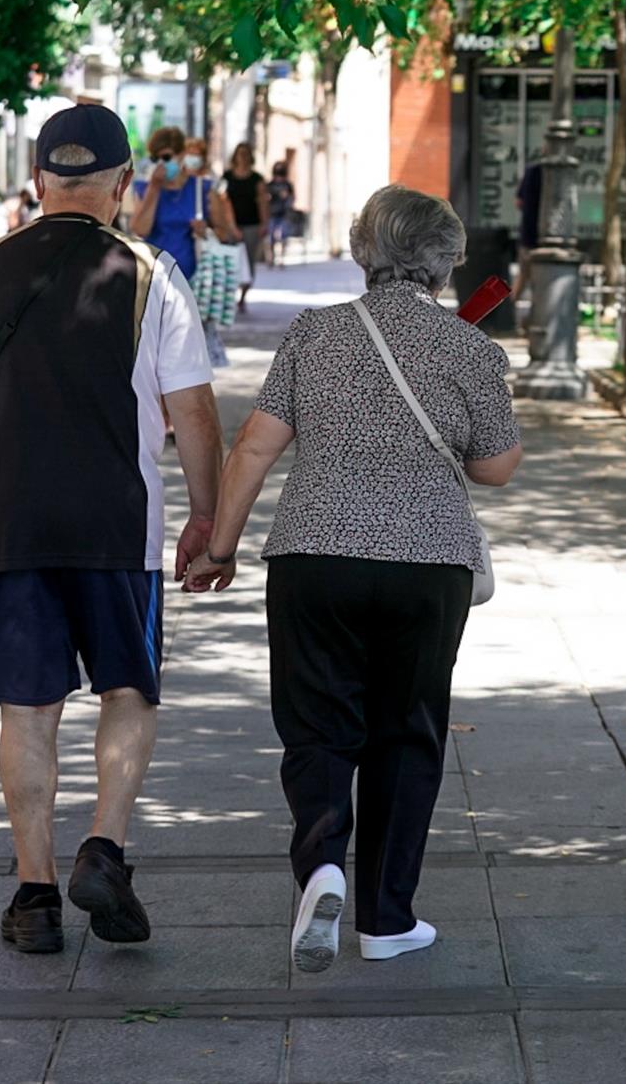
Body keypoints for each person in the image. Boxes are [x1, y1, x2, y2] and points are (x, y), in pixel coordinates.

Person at [184, 184, 523, 974]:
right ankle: (387, 918)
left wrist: (221, 547)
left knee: (316, 725)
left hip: (314, 555)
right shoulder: (471, 348)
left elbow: (255, 449)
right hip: (427, 565)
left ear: (360, 250)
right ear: (445, 262)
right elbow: (496, 467)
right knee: (407, 731)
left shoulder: (316, 333)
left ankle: (323, 866)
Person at [0, 103, 224, 956]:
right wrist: (210, 518)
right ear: (124, 184)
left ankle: (36, 893)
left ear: (40, 182)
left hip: (11, 522)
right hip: (118, 523)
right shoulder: (153, 273)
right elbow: (192, 411)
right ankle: (106, 847)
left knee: (29, 704)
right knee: (129, 687)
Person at [130, 126, 209, 282]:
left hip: (191, 277)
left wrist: (204, 230)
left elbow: (225, 233)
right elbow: (140, 229)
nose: (161, 163)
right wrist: (154, 187)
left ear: (182, 155)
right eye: (155, 158)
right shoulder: (144, 187)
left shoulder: (200, 187)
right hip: (154, 276)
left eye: (166, 157)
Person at [220, 143, 270, 308]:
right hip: (229, 225)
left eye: (246, 153)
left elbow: (262, 202)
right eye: (240, 153)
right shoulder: (226, 177)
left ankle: (243, 294)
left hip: (251, 225)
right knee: (230, 261)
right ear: (235, 156)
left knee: (248, 261)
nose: (243, 157)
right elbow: (221, 200)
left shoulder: (257, 179)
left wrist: (264, 223)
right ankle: (230, 294)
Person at [512, 161, 542, 320]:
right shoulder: (540, 172)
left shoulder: (532, 171)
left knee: (523, 276)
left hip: (528, 235)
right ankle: (532, 319)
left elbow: (518, 202)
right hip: (539, 237)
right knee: (538, 283)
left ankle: (510, 315)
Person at [266, 161, 297, 268]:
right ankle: (272, 257)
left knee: (283, 236)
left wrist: (287, 199)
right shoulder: (270, 185)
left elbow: (292, 198)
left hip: (284, 214)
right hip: (272, 213)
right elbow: (265, 198)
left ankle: (281, 258)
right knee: (271, 237)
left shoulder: (287, 185)